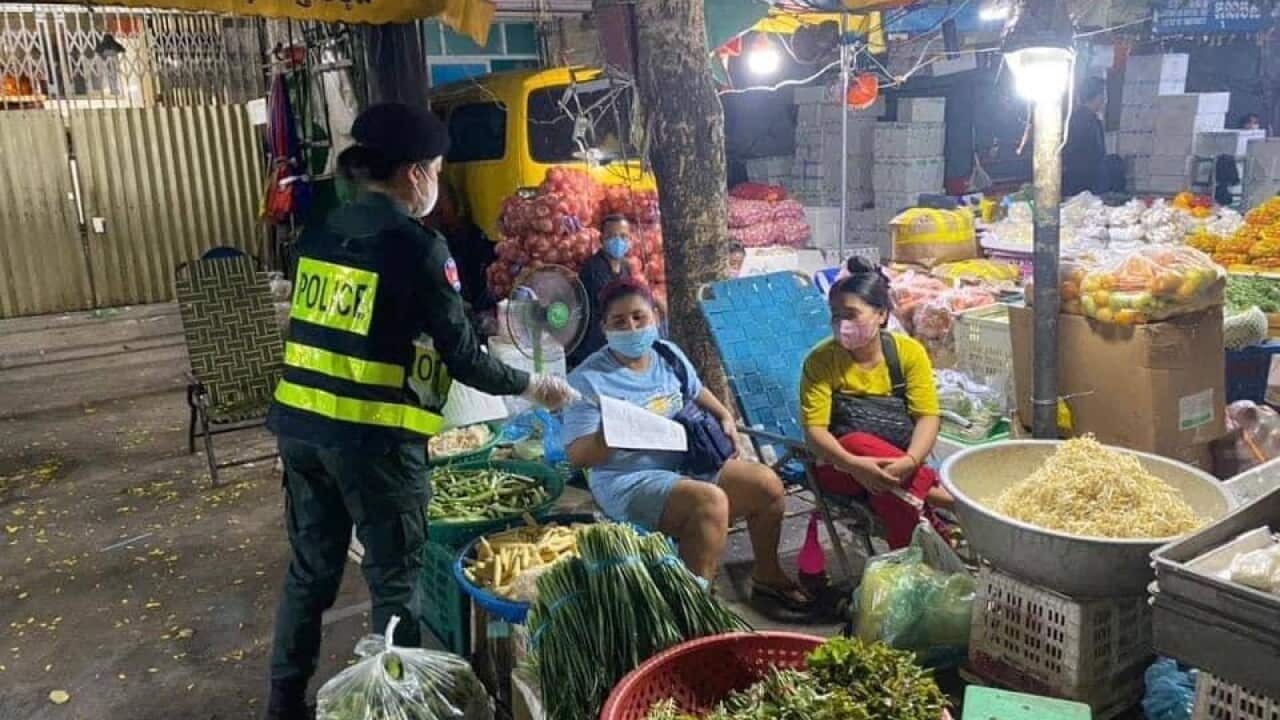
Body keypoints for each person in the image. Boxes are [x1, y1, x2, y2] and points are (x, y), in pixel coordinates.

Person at [263, 102, 578, 720]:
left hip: (300, 429)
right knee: (394, 584)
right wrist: (533, 384)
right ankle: (400, 707)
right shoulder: (418, 247)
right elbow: (462, 356)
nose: (436, 180)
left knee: (310, 574)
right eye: (434, 168)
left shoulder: (322, 230)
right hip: (372, 440)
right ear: (412, 173)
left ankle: (282, 704)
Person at [563, 278, 813, 609]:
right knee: (710, 502)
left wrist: (723, 414)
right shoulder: (587, 379)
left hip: (688, 461)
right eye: (619, 322)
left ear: (654, 315)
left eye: (639, 317)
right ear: (604, 327)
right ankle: (692, 609)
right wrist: (611, 434)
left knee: (766, 484)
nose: (632, 327)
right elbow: (578, 456)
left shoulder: (666, 353)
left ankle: (767, 575)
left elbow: (693, 389)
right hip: (628, 479)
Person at [800, 257, 953, 550]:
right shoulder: (821, 361)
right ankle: (943, 499)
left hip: (899, 461)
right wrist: (854, 465)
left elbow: (927, 417)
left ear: (881, 314)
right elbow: (815, 432)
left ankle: (918, 556)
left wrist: (908, 463)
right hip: (839, 466)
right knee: (856, 441)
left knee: (890, 496)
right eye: (835, 315)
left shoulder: (907, 352)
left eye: (851, 314)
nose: (841, 324)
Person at [570, 214, 633, 366]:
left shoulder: (625, 267)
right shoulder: (593, 268)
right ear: (601, 239)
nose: (618, 241)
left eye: (624, 236)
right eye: (612, 236)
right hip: (594, 344)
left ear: (630, 240)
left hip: (614, 338)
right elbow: (612, 299)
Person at [1062, 77, 1108, 197]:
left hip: (1085, 183)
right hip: (1082, 185)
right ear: (1098, 97)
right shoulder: (1084, 120)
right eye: (1103, 95)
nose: (1105, 100)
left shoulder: (1084, 118)